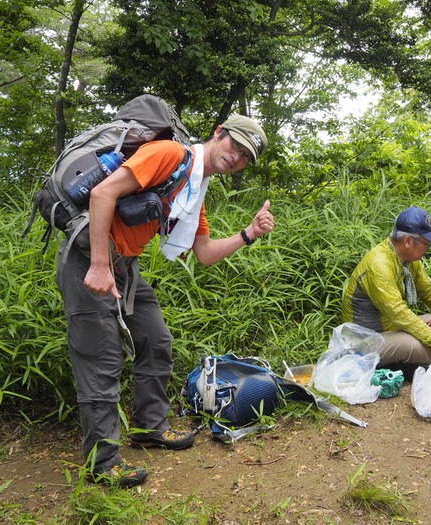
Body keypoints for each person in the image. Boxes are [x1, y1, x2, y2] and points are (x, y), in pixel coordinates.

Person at [56, 113, 273, 488]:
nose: (236, 157)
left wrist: (248, 233)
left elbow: (203, 253)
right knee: (102, 359)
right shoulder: (170, 155)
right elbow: (102, 193)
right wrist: (98, 264)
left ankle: (148, 427)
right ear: (218, 133)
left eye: (245, 157)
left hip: (125, 265)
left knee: (156, 340)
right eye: (235, 145)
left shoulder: (195, 188)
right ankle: (102, 462)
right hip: (89, 259)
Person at [341, 206, 431, 376]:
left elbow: (429, 291)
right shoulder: (379, 264)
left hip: (392, 327)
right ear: (407, 241)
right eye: (426, 243)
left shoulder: (409, 260)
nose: (429, 248)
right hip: (365, 339)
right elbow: (398, 313)